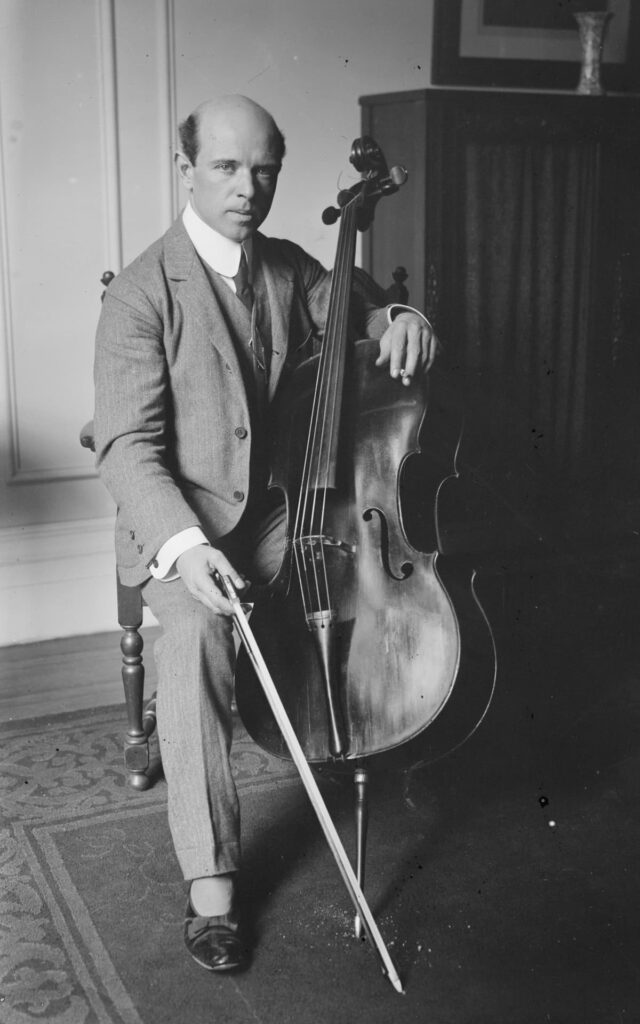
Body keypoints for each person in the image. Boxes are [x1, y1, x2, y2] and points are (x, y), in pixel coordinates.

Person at [93, 94, 438, 974]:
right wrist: (183, 546)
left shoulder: (285, 267)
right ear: (187, 171)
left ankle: (358, 729)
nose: (247, 187)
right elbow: (128, 445)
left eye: (263, 171)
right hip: (184, 529)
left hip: (277, 519)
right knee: (199, 637)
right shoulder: (141, 292)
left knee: (356, 576)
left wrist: (398, 322)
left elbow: (354, 310)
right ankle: (211, 887)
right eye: (225, 167)